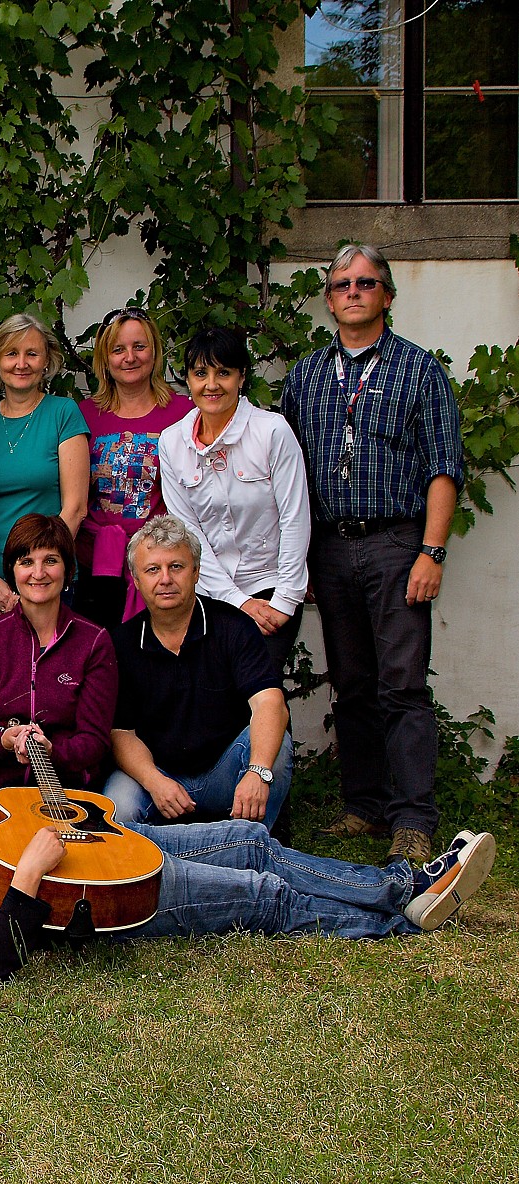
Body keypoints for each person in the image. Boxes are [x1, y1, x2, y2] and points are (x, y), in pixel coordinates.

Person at [0, 822, 496, 983]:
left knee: (250, 839)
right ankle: (397, 913)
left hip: (84, 836)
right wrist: (29, 879)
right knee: (261, 897)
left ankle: (401, 887)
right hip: (89, 892)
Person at [279, 244, 464, 865]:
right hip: (330, 547)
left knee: (402, 684)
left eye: (365, 282)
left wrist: (431, 551)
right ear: (329, 301)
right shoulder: (306, 376)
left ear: (387, 295)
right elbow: (288, 474)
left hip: (396, 544)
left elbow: (443, 467)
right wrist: (299, 558)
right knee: (352, 683)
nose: (353, 292)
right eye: (341, 285)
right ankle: (364, 806)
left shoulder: (419, 370)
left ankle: (413, 819)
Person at [102, 516, 292, 831]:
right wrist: (154, 781)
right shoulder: (121, 643)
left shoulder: (233, 626)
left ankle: (254, 845)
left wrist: (257, 772)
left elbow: (269, 702)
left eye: (176, 566)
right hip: (159, 775)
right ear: (135, 579)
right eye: (152, 569)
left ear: (196, 572)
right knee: (117, 809)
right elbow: (121, 732)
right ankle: (164, 861)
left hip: (224, 772)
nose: (165, 579)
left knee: (277, 749)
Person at [0, 513, 117, 836]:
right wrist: (3, 741)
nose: (38, 573)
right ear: (12, 570)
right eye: (26, 561)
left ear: (67, 570)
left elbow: (95, 741)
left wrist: (52, 750)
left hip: (72, 796)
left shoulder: (94, 641)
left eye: (50, 561)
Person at [158, 327, 310, 670]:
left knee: (260, 690)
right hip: (209, 592)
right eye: (201, 374)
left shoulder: (272, 431)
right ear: (188, 380)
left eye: (223, 373)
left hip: (271, 588)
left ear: (242, 377)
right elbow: (188, 533)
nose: (211, 385)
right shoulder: (172, 442)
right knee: (212, 692)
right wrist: (235, 600)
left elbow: (295, 518)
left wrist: (284, 601)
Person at [75, 307, 190, 628]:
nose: (129, 357)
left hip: (160, 565)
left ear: (154, 352)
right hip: (95, 565)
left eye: (139, 346)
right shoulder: (83, 415)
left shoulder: (184, 413)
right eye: (118, 349)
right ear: (105, 359)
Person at [0, 314, 90, 617]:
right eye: (12, 353)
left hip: (49, 577)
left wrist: (38, 571)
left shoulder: (63, 413)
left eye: (32, 354)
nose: (21, 364)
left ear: (46, 362)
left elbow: (75, 508)